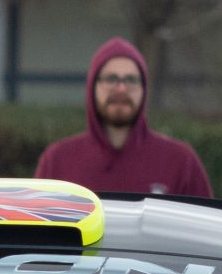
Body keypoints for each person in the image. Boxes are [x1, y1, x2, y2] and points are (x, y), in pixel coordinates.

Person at [34, 38, 212, 199]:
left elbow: (205, 230)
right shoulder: (56, 162)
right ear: (92, 87)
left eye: (131, 80)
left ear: (144, 88)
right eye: (111, 79)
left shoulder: (181, 161)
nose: (121, 89)